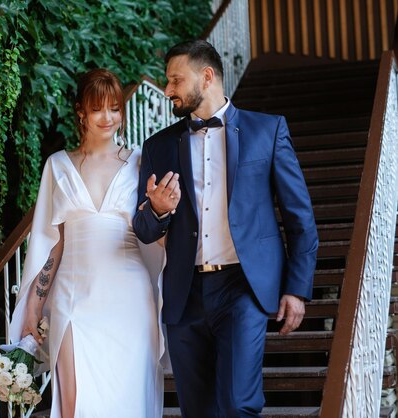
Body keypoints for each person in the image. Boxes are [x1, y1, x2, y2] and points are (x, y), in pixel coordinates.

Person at [132, 40, 319, 417]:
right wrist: (157, 210)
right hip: (186, 293)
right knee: (197, 409)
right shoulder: (158, 146)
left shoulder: (267, 130)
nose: (168, 90)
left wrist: (297, 289)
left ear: (207, 76)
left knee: (238, 403)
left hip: (243, 288)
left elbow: (300, 218)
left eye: (175, 80)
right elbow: (144, 229)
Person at [10, 68, 164, 418]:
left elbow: (153, 230)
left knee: (129, 401)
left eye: (115, 107)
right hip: (74, 298)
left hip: (130, 300)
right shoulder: (58, 166)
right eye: (98, 109)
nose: (108, 117)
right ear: (81, 111)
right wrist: (34, 306)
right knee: (76, 406)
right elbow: (52, 243)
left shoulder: (141, 162)